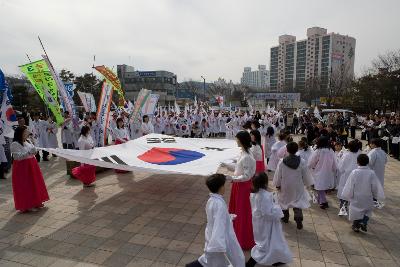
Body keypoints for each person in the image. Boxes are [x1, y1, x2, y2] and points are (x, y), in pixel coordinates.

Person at [186, 174, 245, 267]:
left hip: (212, 235)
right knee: (236, 258)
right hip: (219, 238)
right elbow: (219, 224)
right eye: (224, 185)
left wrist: (228, 217)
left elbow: (216, 218)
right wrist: (219, 245)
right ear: (221, 187)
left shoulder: (212, 200)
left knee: (210, 260)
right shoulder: (219, 204)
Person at [246, 172, 292, 267]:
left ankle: (277, 259)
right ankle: (251, 262)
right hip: (267, 224)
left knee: (272, 241)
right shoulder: (265, 196)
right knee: (266, 243)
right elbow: (268, 213)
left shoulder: (254, 194)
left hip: (258, 222)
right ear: (265, 183)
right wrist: (277, 205)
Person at [222, 131, 256, 250]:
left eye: (237, 139)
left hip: (243, 187)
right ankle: (236, 236)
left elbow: (247, 176)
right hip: (239, 185)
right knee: (237, 210)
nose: (236, 141)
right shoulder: (244, 153)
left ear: (241, 140)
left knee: (241, 213)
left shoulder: (247, 156)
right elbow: (238, 168)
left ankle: (242, 240)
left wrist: (232, 178)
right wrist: (226, 165)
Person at [273, 142, 313, 229]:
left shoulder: (282, 162)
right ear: (297, 150)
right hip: (297, 185)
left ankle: (285, 217)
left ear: (286, 150)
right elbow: (306, 174)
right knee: (297, 201)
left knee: (284, 201)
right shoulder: (302, 161)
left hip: (285, 186)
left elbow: (278, 175)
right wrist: (307, 183)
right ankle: (298, 217)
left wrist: (277, 184)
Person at [342, 154, 385, 233]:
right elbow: (375, 186)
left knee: (356, 210)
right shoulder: (371, 173)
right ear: (368, 162)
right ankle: (363, 222)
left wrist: (348, 194)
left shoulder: (354, 172)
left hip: (356, 196)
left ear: (357, 162)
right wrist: (376, 195)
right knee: (367, 210)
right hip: (367, 196)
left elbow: (350, 185)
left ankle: (356, 225)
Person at [10, 126, 49, 212]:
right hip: (22, 167)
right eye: (25, 133)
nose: (27, 134)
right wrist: (29, 152)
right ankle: (28, 205)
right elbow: (17, 157)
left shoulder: (28, 141)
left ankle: (37, 202)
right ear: (20, 134)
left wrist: (35, 150)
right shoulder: (15, 144)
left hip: (32, 164)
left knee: (34, 183)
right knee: (25, 185)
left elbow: (33, 152)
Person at [308, 136, 337, 209]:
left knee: (319, 187)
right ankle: (321, 200)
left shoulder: (318, 151)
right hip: (328, 172)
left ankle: (323, 201)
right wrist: (334, 169)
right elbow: (334, 161)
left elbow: (312, 161)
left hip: (319, 171)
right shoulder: (331, 151)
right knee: (321, 187)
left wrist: (310, 166)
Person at [337, 140, 362, 216]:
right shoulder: (360, 154)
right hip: (358, 176)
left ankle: (343, 209)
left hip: (346, 176)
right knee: (354, 193)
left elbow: (340, 168)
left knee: (344, 193)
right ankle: (354, 210)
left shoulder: (346, 155)